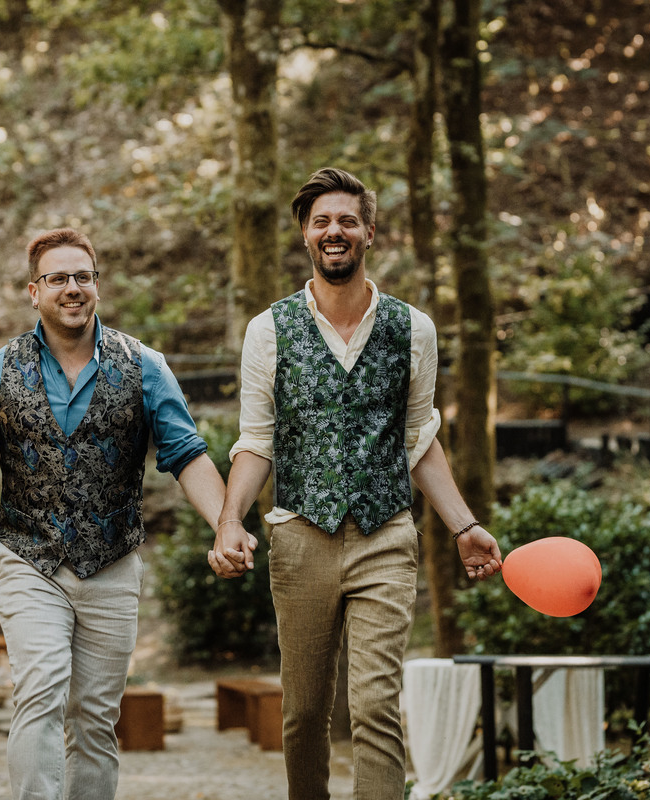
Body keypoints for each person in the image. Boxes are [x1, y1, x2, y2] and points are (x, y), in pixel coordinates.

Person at [0, 227, 230, 800]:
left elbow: (187, 453)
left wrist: (227, 524)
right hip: (28, 559)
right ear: (34, 292)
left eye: (83, 277)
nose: (72, 287)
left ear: (97, 285)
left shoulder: (145, 366)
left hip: (112, 565)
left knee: (95, 718)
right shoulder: (2, 367)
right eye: (58, 278)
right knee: (41, 690)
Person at [209, 167, 503, 800]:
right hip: (300, 538)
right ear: (305, 235)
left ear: (369, 232)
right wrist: (230, 521)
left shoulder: (413, 328)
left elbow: (419, 439)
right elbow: (256, 440)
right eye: (321, 222)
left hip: (385, 538)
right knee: (304, 714)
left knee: (375, 707)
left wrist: (465, 525)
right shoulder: (269, 330)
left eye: (347, 220)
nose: (334, 231)